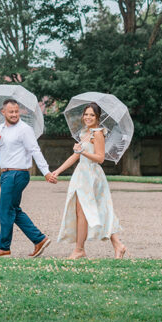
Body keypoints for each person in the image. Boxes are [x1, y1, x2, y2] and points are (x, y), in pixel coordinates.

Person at [50, 103, 127, 259]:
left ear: (97, 117)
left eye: (92, 115)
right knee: (97, 210)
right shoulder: (84, 133)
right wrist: (57, 171)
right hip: (81, 174)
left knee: (84, 211)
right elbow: (75, 156)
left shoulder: (98, 133)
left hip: (92, 176)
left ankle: (79, 249)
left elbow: (100, 158)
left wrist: (83, 151)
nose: (88, 117)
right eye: (86, 114)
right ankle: (118, 245)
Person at [0, 99, 57, 258]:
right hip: (6, 174)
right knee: (13, 210)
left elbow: (35, 150)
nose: (15, 114)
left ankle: (3, 247)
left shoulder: (25, 129)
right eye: (11, 112)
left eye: (16, 111)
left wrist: (46, 172)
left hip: (17, 174)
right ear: (3, 113)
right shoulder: (0, 128)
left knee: (5, 210)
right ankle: (39, 239)